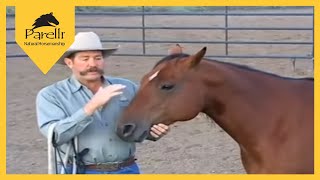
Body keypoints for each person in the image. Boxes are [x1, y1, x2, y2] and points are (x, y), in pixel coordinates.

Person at [36, 31, 170, 174]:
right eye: (85, 59)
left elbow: (139, 124)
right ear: (69, 62)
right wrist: (91, 107)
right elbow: (56, 136)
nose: (92, 64)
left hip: (126, 170)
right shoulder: (52, 95)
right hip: (79, 171)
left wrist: (152, 132)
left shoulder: (128, 88)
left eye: (97, 58)